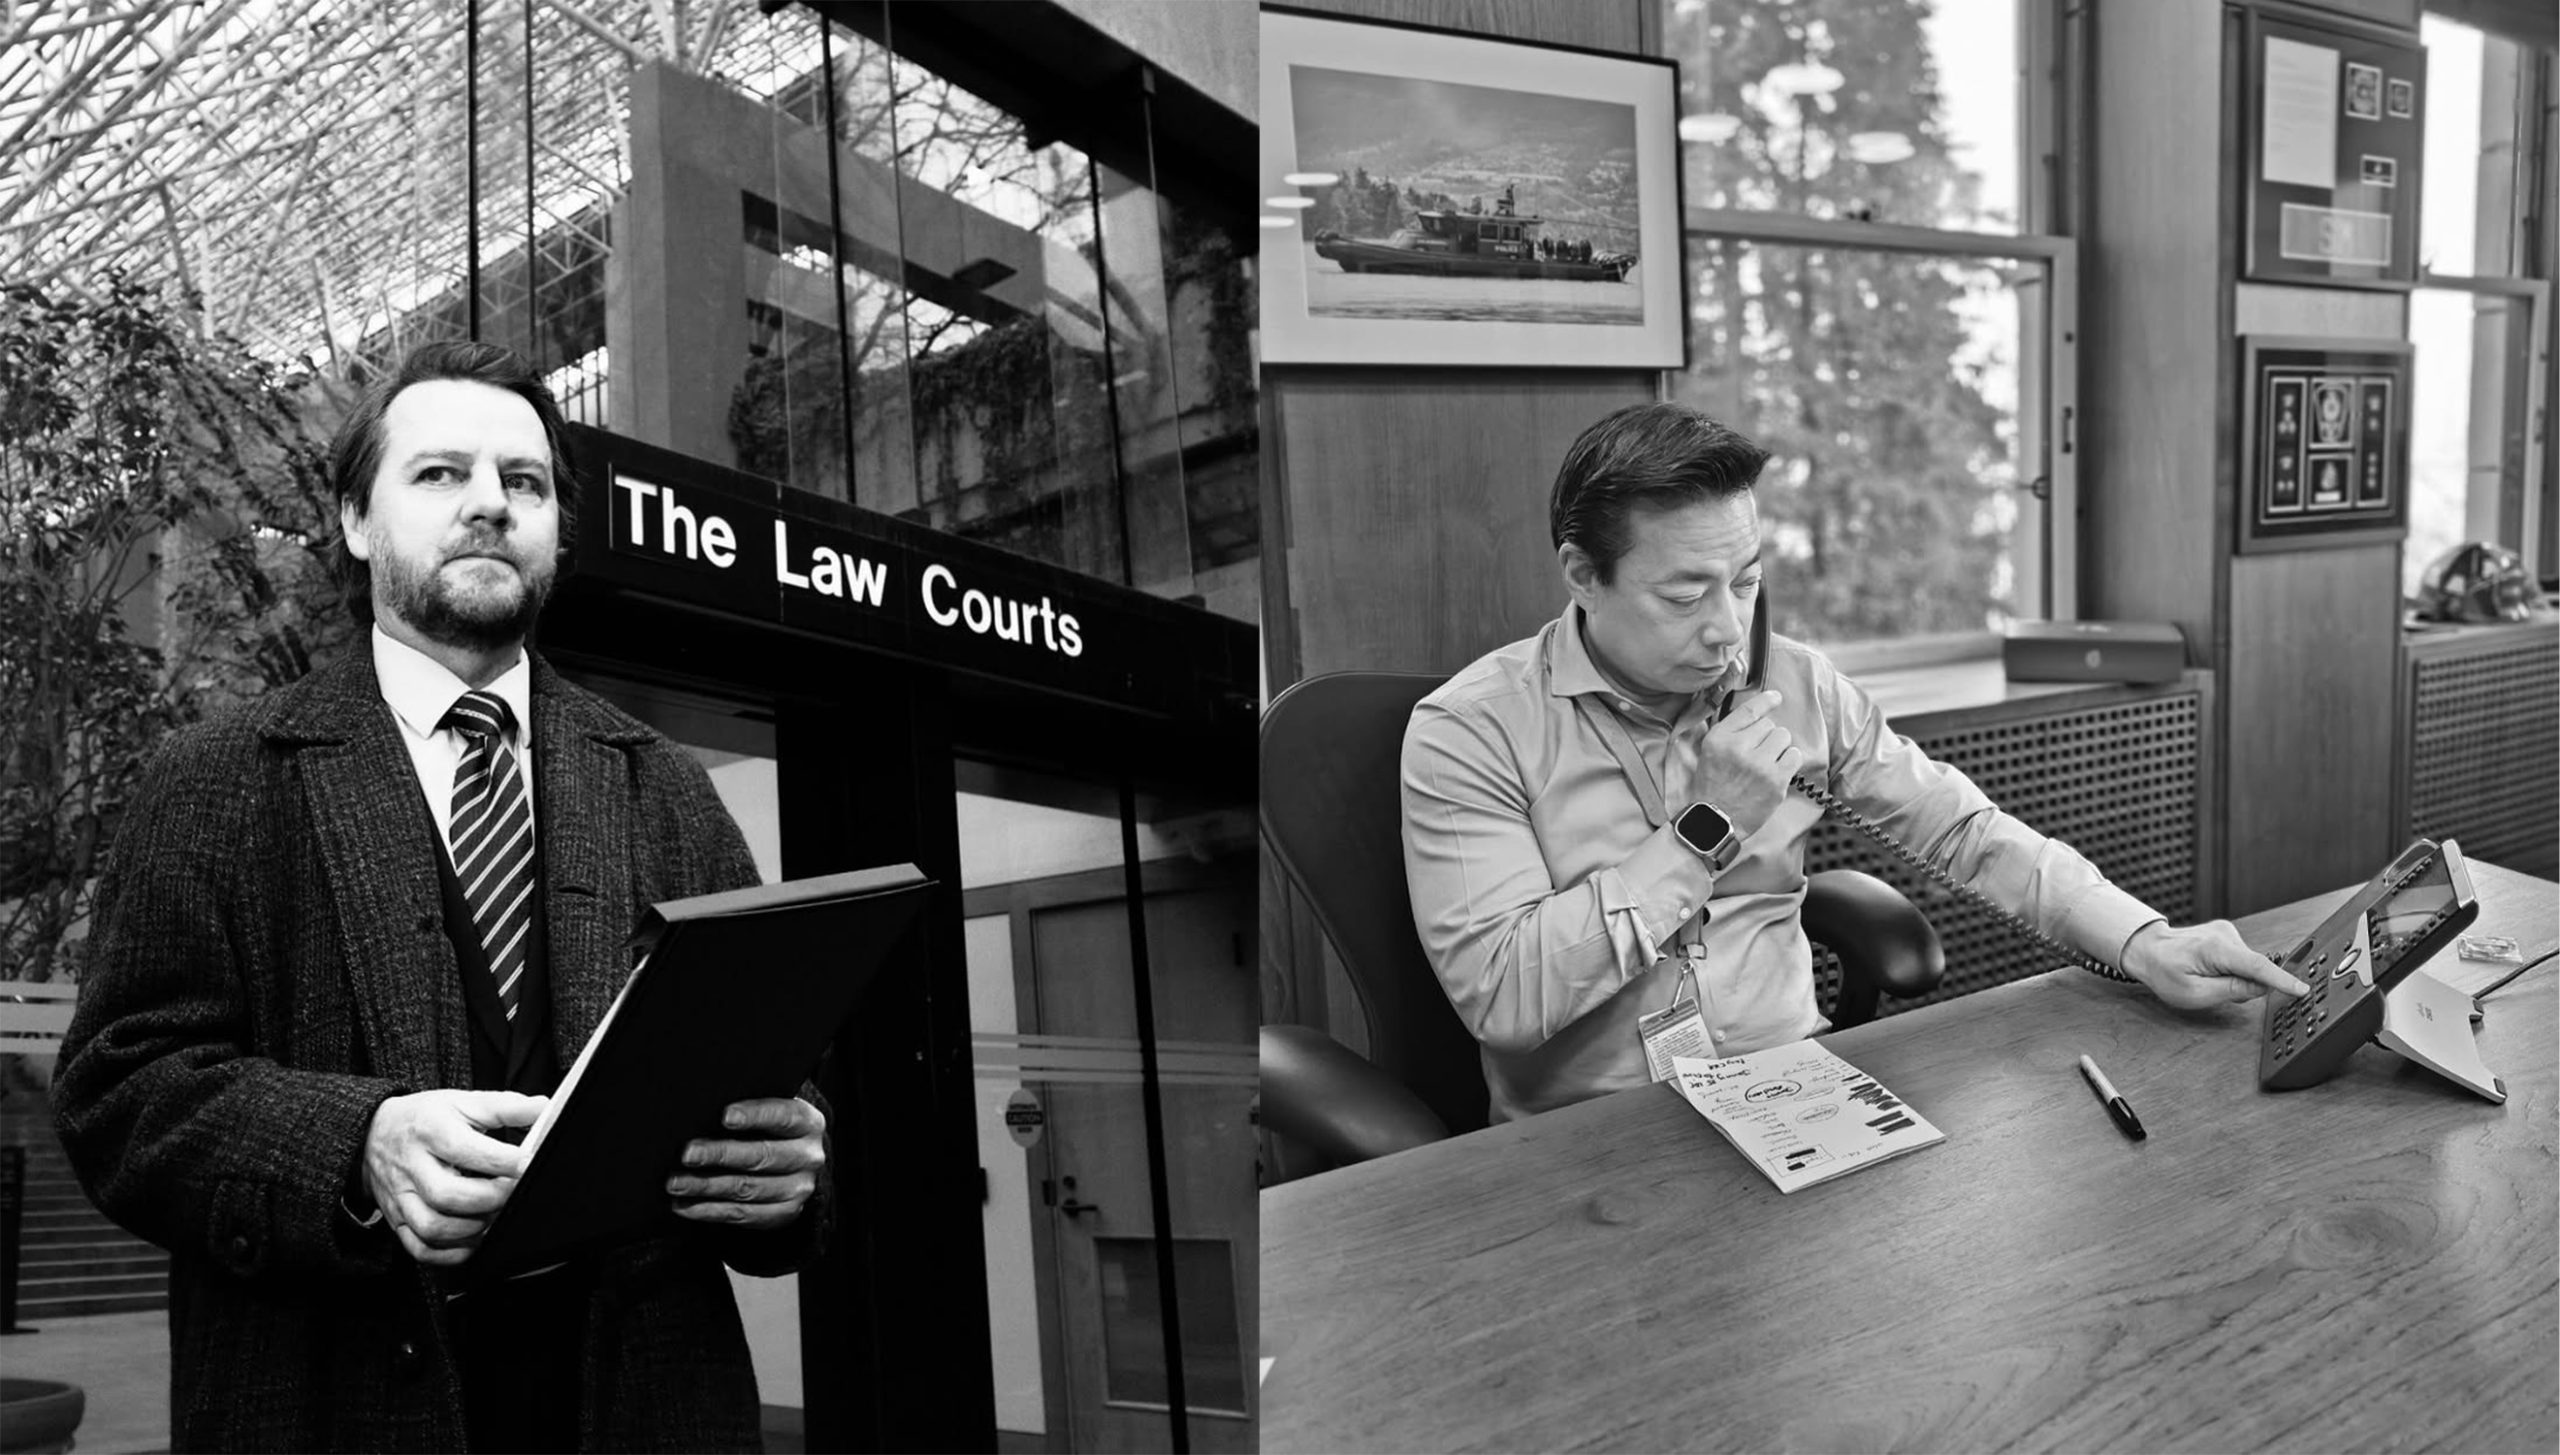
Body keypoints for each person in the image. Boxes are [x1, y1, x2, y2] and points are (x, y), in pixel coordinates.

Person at [53, 340, 829, 1452]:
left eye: (524, 482)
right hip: (329, 1401)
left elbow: (768, 1087)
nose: (489, 506)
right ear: (358, 524)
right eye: (439, 474)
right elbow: (118, 1093)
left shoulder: (667, 789)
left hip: (640, 1403)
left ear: (559, 528)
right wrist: (354, 1144)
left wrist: (787, 1173)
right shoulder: (217, 775)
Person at [1399, 402, 2306, 1123]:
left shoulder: (1797, 683)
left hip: (1798, 1092)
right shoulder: (1469, 733)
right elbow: (1506, 997)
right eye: (1685, 594)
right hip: (1590, 1136)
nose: (1727, 628)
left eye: (1746, 579)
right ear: (1581, 575)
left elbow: (1966, 830)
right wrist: (1704, 826)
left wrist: (2144, 939)